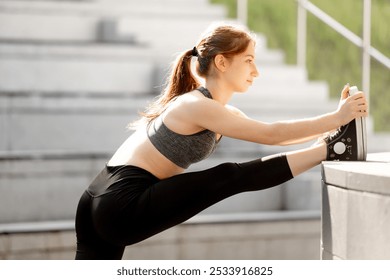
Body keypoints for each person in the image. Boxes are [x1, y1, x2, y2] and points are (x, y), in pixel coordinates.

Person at [74, 23, 368, 259]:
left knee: (228, 176)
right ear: (222, 62)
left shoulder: (215, 109)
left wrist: (334, 121)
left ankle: (331, 146)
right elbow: (272, 133)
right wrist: (337, 118)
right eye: (249, 61)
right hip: (121, 202)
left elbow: (276, 138)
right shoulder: (196, 106)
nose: (256, 71)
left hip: (96, 198)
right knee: (228, 176)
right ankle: (331, 151)